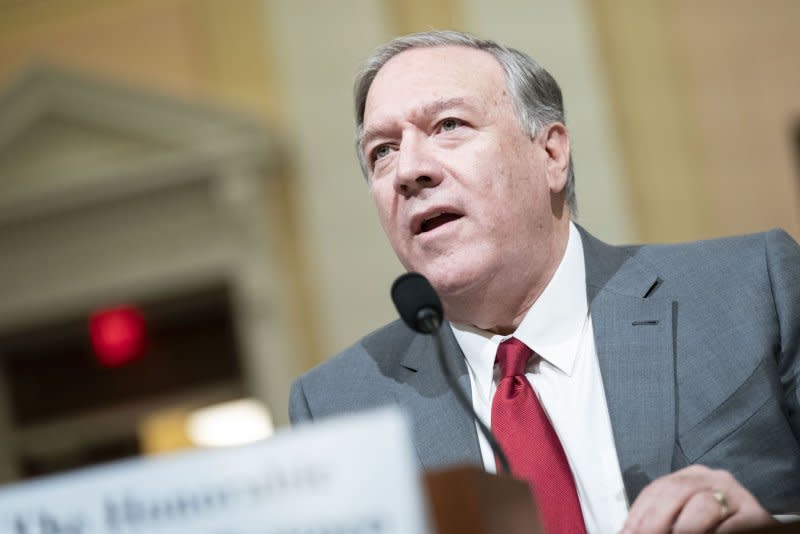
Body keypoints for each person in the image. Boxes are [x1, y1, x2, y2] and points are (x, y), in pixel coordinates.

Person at [289, 30, 800, 533]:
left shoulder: (752, 290)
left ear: (551, 154)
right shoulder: (339, 408)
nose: (409, 169)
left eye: (448, 124)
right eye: (382, 151)